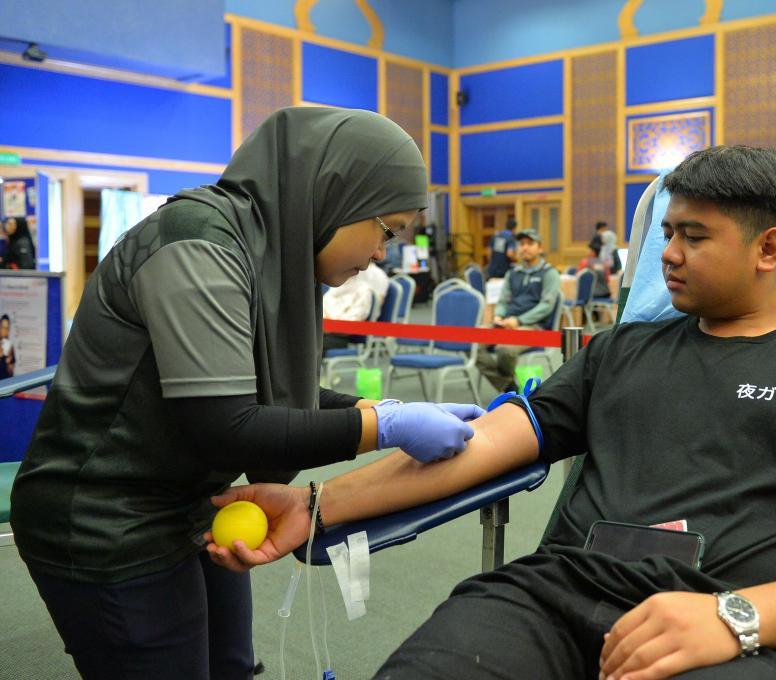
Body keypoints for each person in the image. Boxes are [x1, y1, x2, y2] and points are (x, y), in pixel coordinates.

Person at [206, 146, 776, 680]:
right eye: (667, 232)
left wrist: (736, 617)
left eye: (694, 236)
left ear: (769, 249)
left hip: (735, 629)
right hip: (556, 597)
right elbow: (479, 445)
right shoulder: (620, 351)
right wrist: (315, 503)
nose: (667, 255)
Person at [9, 107, 485, 680]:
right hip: (104, 515)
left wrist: (382, 409)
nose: (384, 252)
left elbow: (268, 392)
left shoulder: (269, 254)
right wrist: (384, 428)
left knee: (231, 667)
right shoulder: (199, 242)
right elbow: (228, 423)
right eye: (387, 230)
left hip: (191, 500)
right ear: (338, 197)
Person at [476, 229, 561, 393]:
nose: (525, 247)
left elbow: (546, 306)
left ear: (540, 248)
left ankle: (509, 390)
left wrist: (519, 321)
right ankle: (508, 386)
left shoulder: (549, 273)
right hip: (506, 324)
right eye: (522, 244)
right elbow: (503, 301)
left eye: (530, 244)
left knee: (504, 349)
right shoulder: (512, 273)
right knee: (472, 344)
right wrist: (499, 315)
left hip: (534, 327)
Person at [322, 262, 391, 354]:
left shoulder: (364, 291)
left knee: (310, 345)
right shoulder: (337, 286)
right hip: (323, 331)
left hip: (337, 336)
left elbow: (349, 327)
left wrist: (327, 325)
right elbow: (321, 310)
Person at [0, 313, 14, 378]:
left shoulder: (10, 347)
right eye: (3, 327)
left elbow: (11, 373)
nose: (5, 331)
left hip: (5, 382)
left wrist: (8, 362)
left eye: (7, 328)